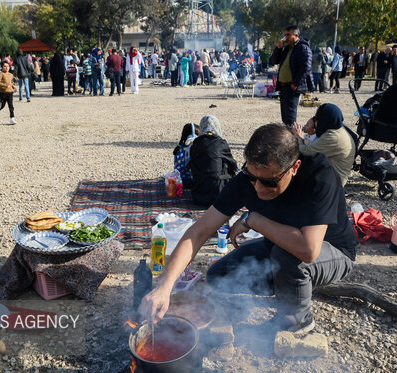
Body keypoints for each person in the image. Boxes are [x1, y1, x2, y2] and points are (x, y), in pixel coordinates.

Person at [140, 123, 356, 335]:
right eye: (252, 177)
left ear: (295, 168)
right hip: (280, 245)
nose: (258, 188)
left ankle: (297, 320)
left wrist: (252, 220)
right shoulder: (248, 179)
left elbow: (309, 250)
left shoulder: (320, 175)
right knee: (219, 276)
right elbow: (200, 231)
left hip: (333, 251)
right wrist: (164, 287)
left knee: (288, 257)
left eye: (269, 182)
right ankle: (290, 286)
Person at [293, 104, 356, 186]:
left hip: (333, 183)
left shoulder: (332, 137)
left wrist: (297, 136)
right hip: (331, 174)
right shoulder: (336, 128)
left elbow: (306, 153)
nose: (316, 122)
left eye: (318, 119)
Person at [269, 25, 313, 126]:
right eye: (285, 35)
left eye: (288, 35)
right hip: (284, 87)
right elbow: (274, 61)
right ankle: (287, 138)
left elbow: (306, 67)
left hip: (292, 87)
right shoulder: (287, 48)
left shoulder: (303, 48)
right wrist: (278, 48)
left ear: (296, 35)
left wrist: (296, 83)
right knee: (285, 117)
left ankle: (293, 138)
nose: (285, 38)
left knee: (290, 118)